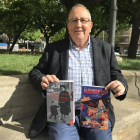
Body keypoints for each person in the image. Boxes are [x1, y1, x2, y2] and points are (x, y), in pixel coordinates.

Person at [28, 3, 128, 140]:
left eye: (83, 20)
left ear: (91, 26)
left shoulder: (106, 49)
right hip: (62, 110)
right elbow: (35, 72)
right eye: (74, 20)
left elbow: (117, 75)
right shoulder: (54, 49)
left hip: (95, 108)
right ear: (68, 26)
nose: (78, 24)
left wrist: (121, 85)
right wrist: (42, 80)